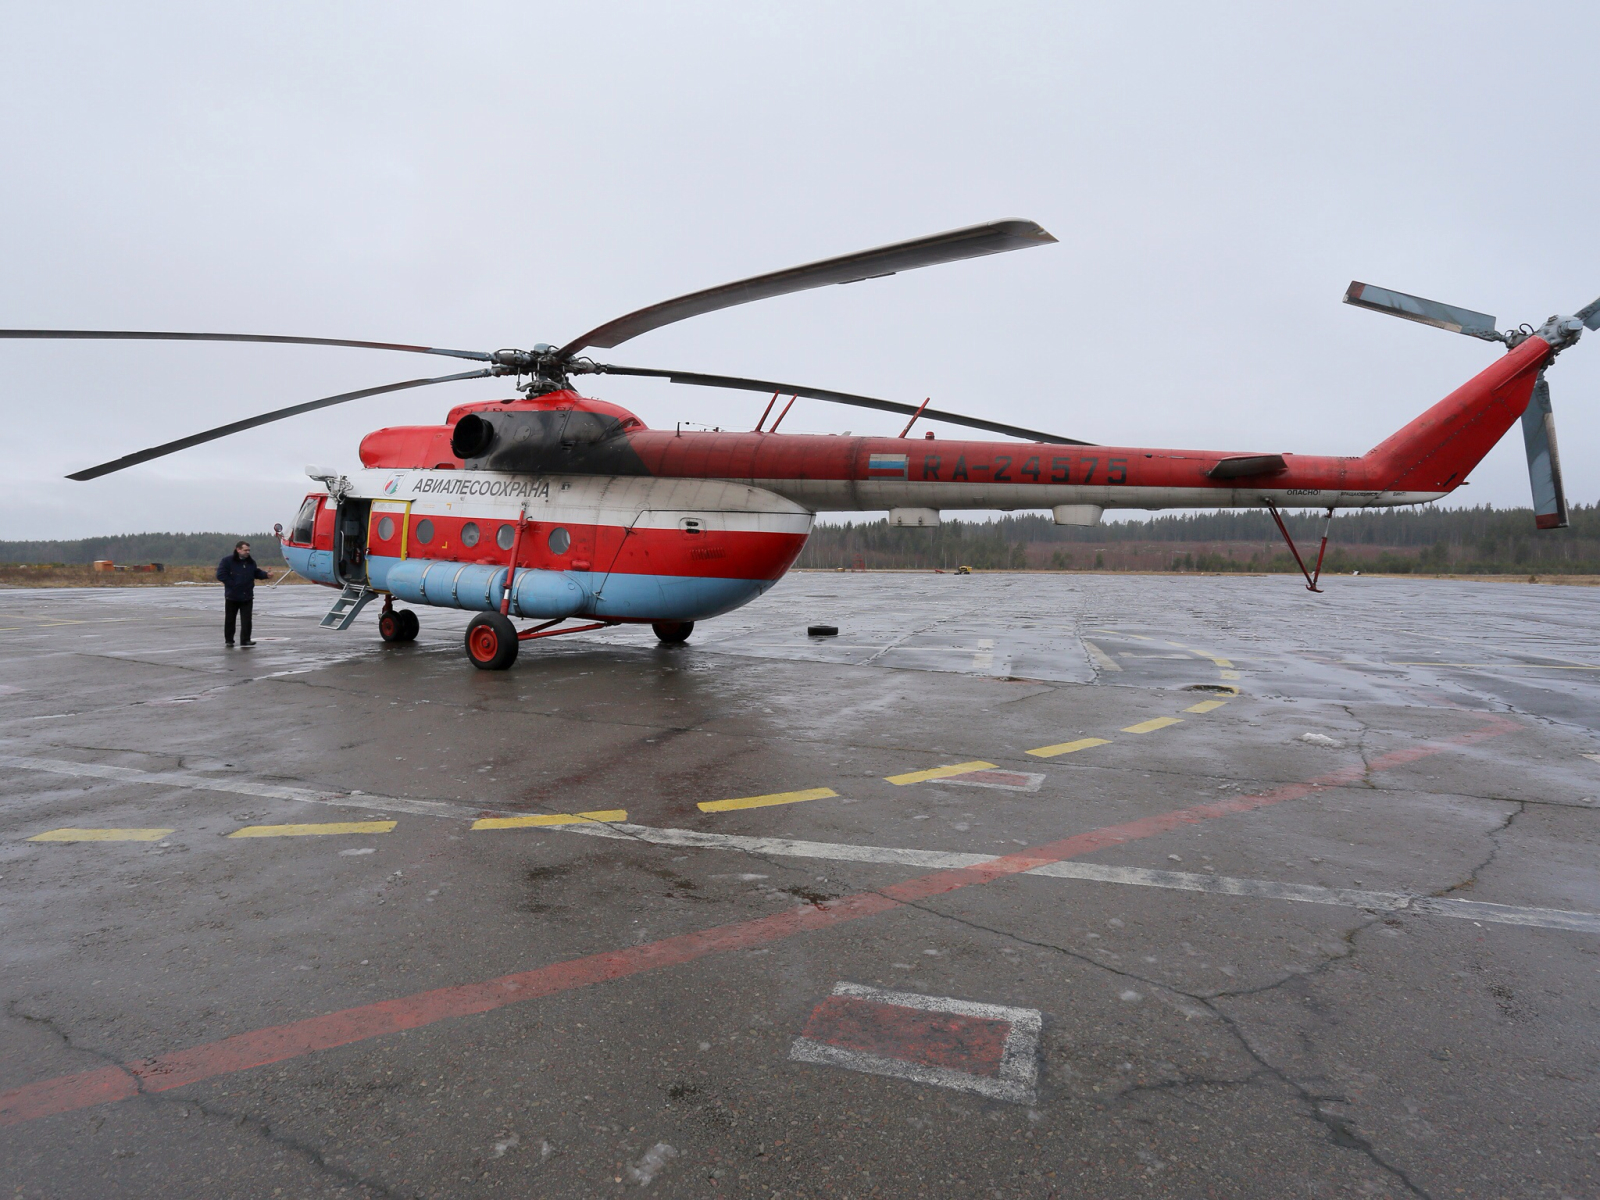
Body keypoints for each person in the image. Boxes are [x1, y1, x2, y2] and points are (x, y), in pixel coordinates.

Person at [216, 540, 270, 647]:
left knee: (247, 620)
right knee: (230, 619)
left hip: (247, 596)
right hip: (232, 596)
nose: (248, 552)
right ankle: (229, 640)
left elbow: (256, 572)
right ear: (238, 549)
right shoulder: (227, 561)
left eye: (249, 550)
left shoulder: (250, 562)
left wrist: (266, 575)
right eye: (245, 550)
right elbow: (221, 575)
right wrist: (233, 584)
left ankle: (245, 640)